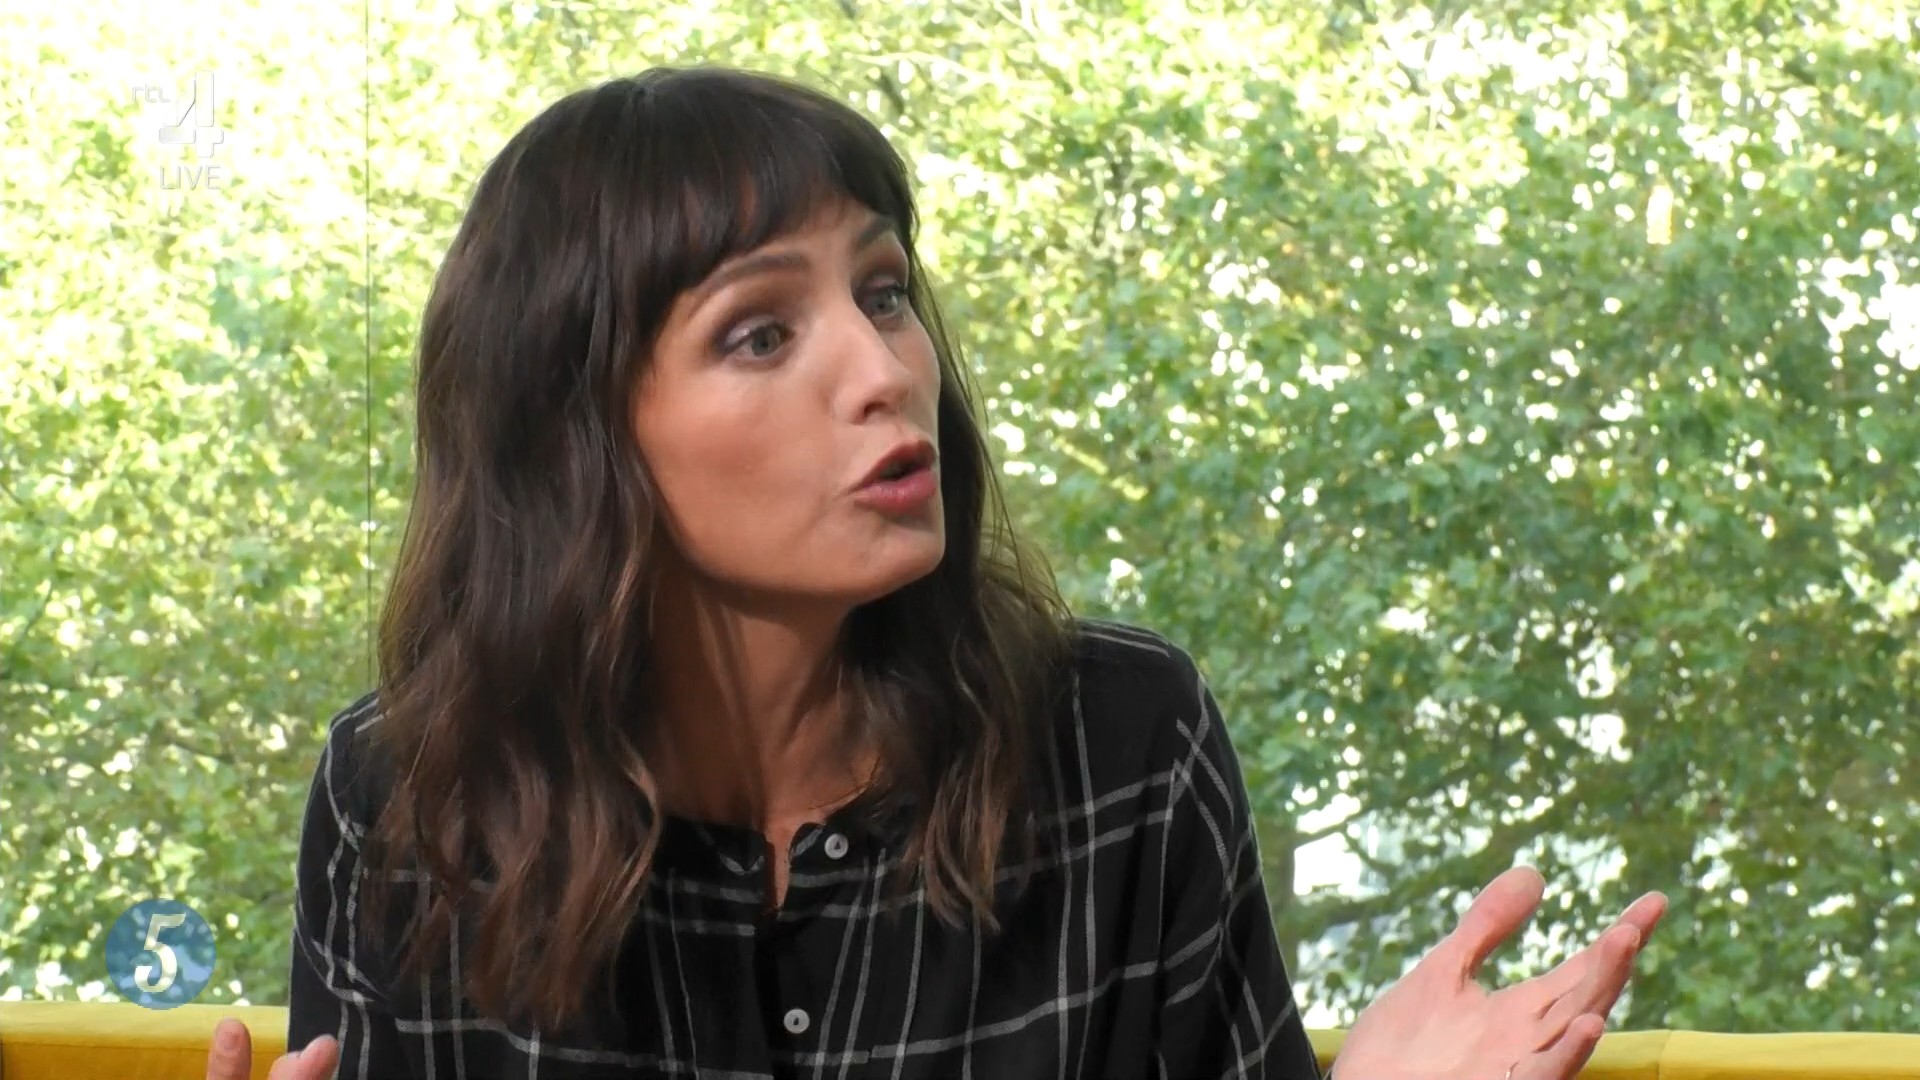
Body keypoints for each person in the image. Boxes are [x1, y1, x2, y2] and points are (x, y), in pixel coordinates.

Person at [203, 65, 1667, 1080]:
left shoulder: (1120, 744)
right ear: (576, 439)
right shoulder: (406, 798)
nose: (884, 368)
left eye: (884, 291)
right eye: (761, 334)